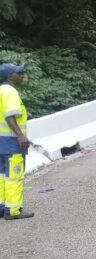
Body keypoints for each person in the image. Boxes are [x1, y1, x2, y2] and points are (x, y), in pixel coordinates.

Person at [0, 63, 34, 220]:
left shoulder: (1, 90)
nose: (22, 75)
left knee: (2, 176)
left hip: (1, 142)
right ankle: (13, 211)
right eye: (18, 73)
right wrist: (20, 135)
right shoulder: (10, 91)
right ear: (10, 76)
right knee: (14, 175)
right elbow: (9, 116)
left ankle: (2, 207)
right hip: (12, 142)